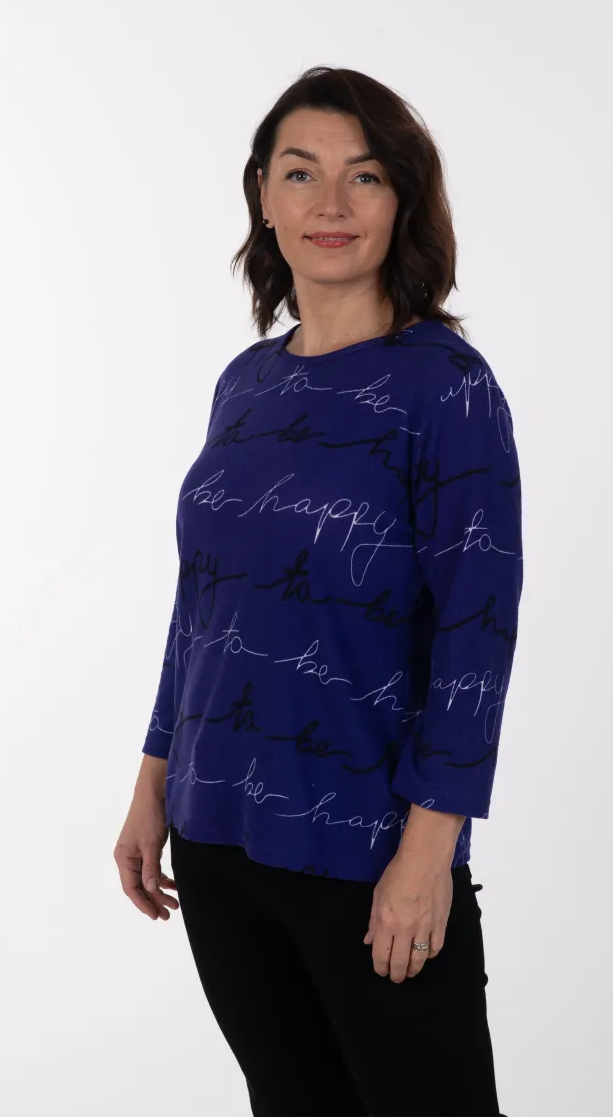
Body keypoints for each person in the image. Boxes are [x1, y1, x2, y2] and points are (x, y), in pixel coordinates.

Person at [114, 65, 523, 1116]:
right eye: (301, 173)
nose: (330, 204)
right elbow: (202, 607)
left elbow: (476, 633)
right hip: (215, 838)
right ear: (263, 194)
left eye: (365, 176)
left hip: (365, 848)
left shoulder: (446, 388)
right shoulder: (245, 384)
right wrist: (152, 784)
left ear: (403, 199)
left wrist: (428, 856)